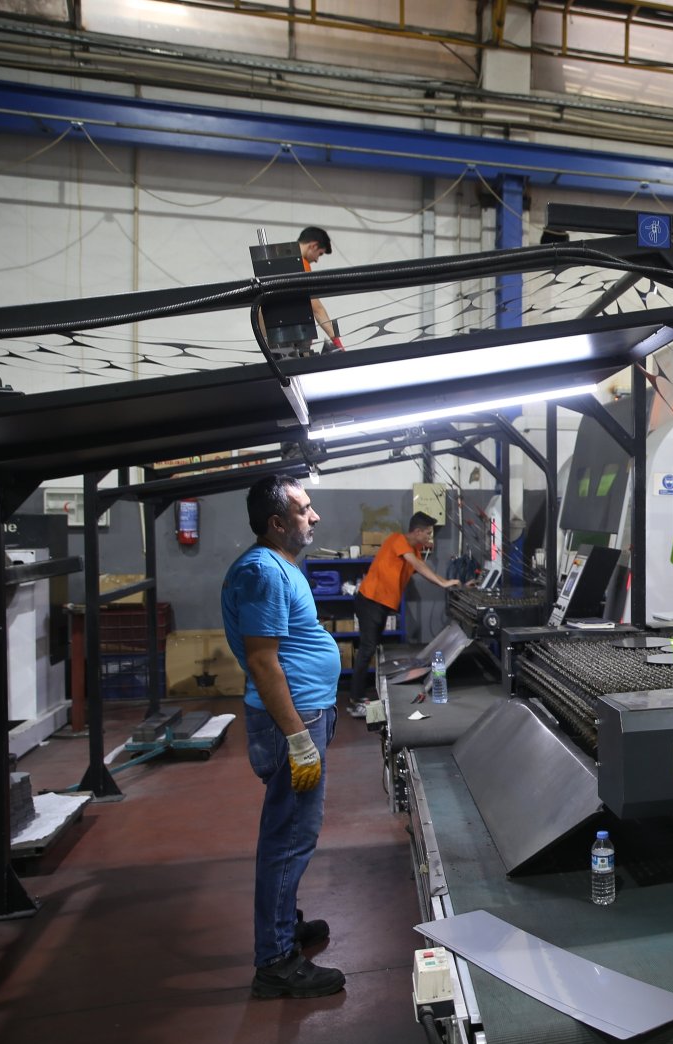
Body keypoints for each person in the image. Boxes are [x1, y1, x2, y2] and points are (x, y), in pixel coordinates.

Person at [221, 473, 346, 999]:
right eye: (304, 510)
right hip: (292, 723)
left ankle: (283, 924)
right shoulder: (263, 573)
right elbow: (261, 660)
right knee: (288, 838)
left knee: (291, 832)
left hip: (306, 715)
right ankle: (274, 959)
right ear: (277, 523)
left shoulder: (280, 566)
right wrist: (297, 738)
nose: (313, 517)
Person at [347, 511, 463, 716]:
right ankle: (355, 701)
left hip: (379, 605)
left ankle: (359, 696)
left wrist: (452, 584)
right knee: (367, 649)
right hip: (370, 602)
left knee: (370, 648)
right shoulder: (397, 540)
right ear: (417, 532)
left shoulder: (414, 552)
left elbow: (423, 570)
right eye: (427, 533)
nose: (429, 538)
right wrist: (444, 583)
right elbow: (417, 565)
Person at [297, 226, 343, 351]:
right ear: (313, 246)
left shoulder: (278, 262)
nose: (317, 260)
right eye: (320, 254)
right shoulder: (301, 264)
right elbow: (316, 308)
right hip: (295, 339)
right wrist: (338, 343)